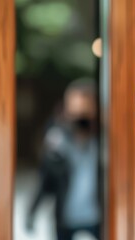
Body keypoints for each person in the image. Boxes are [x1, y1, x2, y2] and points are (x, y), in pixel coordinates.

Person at [26, 78, 100, 240]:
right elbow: (45, 179)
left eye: (86, 109)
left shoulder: (103, 142)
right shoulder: (59, 142)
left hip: (97, 218)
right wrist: (32, 212)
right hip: (66, 219)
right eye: (76, 110)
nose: (81, 116)